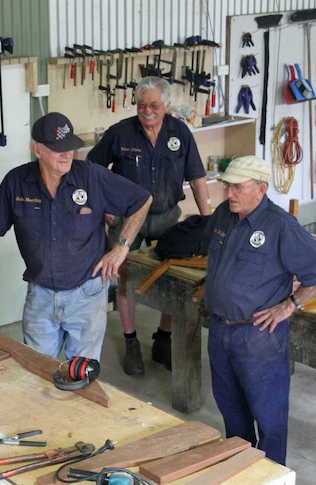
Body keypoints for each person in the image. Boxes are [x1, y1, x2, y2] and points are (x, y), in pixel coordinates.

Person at [0, 112, 152, 361]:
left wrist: (121, 247)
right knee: (36, 369)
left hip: (87, 295)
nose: (67, 154)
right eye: (58, 149)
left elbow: (142, 200)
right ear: (37, 150)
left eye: (70, 147)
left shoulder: (91, 177)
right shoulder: (17, 183)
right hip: (41, 297)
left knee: (83, 373)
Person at [202, 156, 316, 465]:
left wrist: (289, 305)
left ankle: (272, 474)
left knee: (268, 414)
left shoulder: (280, 225)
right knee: (231, 409)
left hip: (258, 336)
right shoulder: (224, 214)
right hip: (221, 329)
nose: (229, 194)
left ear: (261, 189)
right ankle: (241, 469)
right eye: (227, 186)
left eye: (238, 187)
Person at [87, 75, 212, 375]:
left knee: (169, 279)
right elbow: (91, 170)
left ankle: (163, 339)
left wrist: (208, 219)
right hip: (127, 218)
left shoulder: (180, 132)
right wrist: (103, 207)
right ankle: (131, 343)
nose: (147, 111)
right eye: (142, 105)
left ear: (167, 105)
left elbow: (197, 177)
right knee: (126, 277)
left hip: (167, 216)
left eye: (154, 105)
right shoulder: (120, 133)